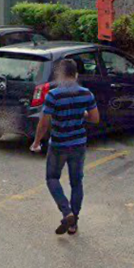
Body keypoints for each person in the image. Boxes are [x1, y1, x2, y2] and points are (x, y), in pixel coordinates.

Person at [31, 58, 99, 237]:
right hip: (78, 144)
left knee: (52, 178)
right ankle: (73, 223)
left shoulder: (53, 95)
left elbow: (44, 123)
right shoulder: (86, 94)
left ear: (60, 75)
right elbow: (95, 118)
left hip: (59, 144)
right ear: (75, 74)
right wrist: (83, 114)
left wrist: (36, 142)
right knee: (76, 182)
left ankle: (66, 211)